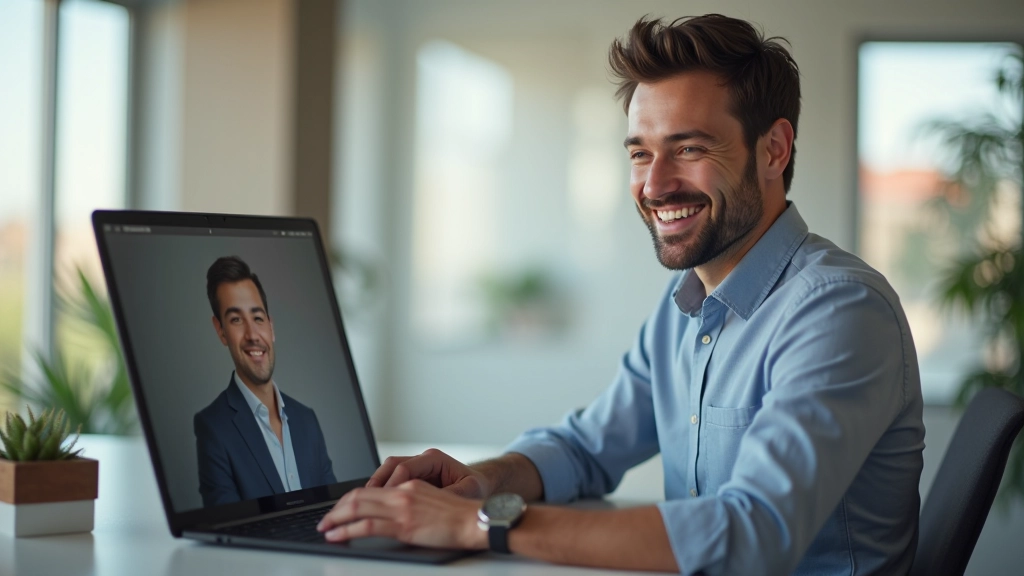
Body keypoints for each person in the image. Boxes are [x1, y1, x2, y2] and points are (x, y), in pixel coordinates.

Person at [316, 14, 925, 575]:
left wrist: (480, 525)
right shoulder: (684, 307)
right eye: (640, 153)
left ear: (773, 150)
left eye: (689, 148)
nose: (654, 185)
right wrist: (479, 485)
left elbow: (752, 533)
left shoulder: (838, 309)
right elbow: (585, 450)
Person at [194, 256, 336, 507]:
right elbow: (230, 523)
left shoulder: (307, 420)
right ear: (221, 330)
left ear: (271, 327)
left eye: (258, 318)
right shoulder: (213, 428)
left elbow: (335, 508)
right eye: (236, 320)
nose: (252, 335)